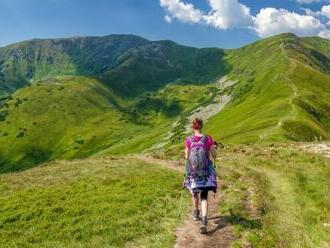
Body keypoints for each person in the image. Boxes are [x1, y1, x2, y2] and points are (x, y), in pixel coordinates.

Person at [183, 117, 217, 234]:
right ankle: (204, 221)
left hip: (193, 171)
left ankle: (195, 212)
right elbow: (214, 155)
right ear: (201, 126)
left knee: (194, 192)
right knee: (204, 195)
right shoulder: (208, 138)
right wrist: (214, 148)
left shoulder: (188, 140)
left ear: (193, 127)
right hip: (205, 172)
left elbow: (187, 157)